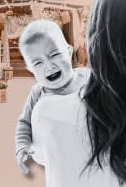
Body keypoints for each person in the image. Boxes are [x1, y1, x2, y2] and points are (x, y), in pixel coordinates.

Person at [17, 0, 126, 186]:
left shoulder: (48, 111)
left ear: (94, 38)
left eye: (55, 55)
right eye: (38, 62)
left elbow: (40, 155)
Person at [15, 20, 90, 174]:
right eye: (37, 63)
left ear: (69, 51)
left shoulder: (87, 79)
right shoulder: (37, 93)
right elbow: (24, 123)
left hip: (88, 152)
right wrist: (23, 147)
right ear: (30, 69)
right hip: (55, 158)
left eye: (54, 54)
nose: (49, 66)